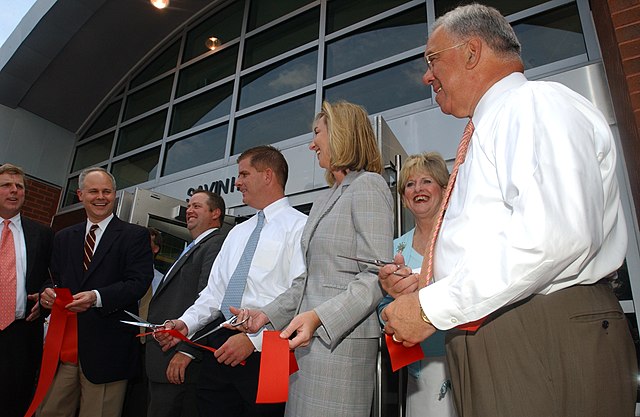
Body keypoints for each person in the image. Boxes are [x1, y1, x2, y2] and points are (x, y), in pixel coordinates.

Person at [379, 4, 637, 417]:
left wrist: (432, 306)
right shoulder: (493, 126)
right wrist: (423, 283)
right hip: (500, 330)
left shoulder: (532, 104)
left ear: (471, 52)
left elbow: (556, 235)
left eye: (431, 59)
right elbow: (496, 239)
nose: (427, 76)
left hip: (535, 331)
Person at [237, 101, 394, 417]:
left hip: (341, 349)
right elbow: (308, 278)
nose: (312, 144)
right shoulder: (325, 198)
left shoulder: (369, 185)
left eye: (317, 133)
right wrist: (266, 314)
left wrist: (320, 316)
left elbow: (376, 274)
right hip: (307, 346)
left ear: (341, 133)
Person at [155, 145, 307, 417]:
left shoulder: (302, 227)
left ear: (268, 175)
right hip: (219, 346)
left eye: (244, 174)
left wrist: (254, 341)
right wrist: (185, 324)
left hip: (270, 348)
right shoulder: (236, 233)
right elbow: (214, 293)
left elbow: (301, 294)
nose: (237, 182)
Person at [38, 167, 153, 417]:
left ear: (115, 195)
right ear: (80, 195)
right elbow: (53, 279)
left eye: (107, 191)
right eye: (93, 191)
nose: (100, 197)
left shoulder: (135, 236)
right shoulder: (64, 237)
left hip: (108, 354)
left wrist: (96, 298)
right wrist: (47, 292)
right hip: (64, 352)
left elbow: (139, 282)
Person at [377, 152, 456, 417]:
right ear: (404, 199)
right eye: (410, 184)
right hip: (416, 370)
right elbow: (382, 310)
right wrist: (394, 302)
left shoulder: (460, 239)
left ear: (445, 191)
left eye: (426, 181)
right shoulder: (395, 248)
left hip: (461, 359)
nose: (418, 189)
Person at [145, 190, 227, 417]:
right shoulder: (191, 247)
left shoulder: (216, 245)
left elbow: (210, 300)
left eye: (197, 206)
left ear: (215, 213)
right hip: (162, 357)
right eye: (189, 205)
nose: (189, 210)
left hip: (178, 361)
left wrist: (187, 351)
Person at [0, 163, 53, 417]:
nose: (14, 191)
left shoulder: (42, 234)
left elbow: (51, 278)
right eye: (6, 185)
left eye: (19, 186)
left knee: (14, 402)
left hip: (21, 334)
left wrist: (45, 296)